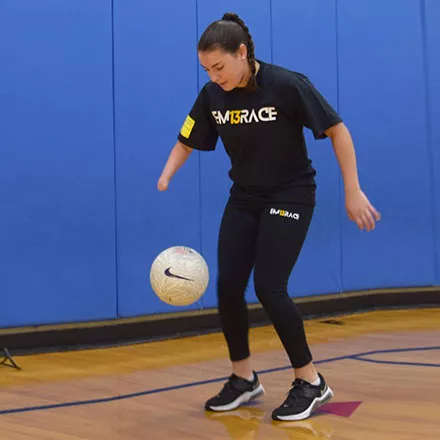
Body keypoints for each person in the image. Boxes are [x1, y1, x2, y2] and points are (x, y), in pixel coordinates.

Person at [157, 12, 381, 421]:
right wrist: (168, 173)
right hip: (244, 197)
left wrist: (353, 189)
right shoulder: (212, 95)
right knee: (227, 287)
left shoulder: (286, 84)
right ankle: (244, 378)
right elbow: (187, 138)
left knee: (269, 286)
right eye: (207, 68)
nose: (214, 75)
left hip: (291, 195)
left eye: (220, 66)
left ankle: (311, 381)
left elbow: (337, 130)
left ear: (242, 53)